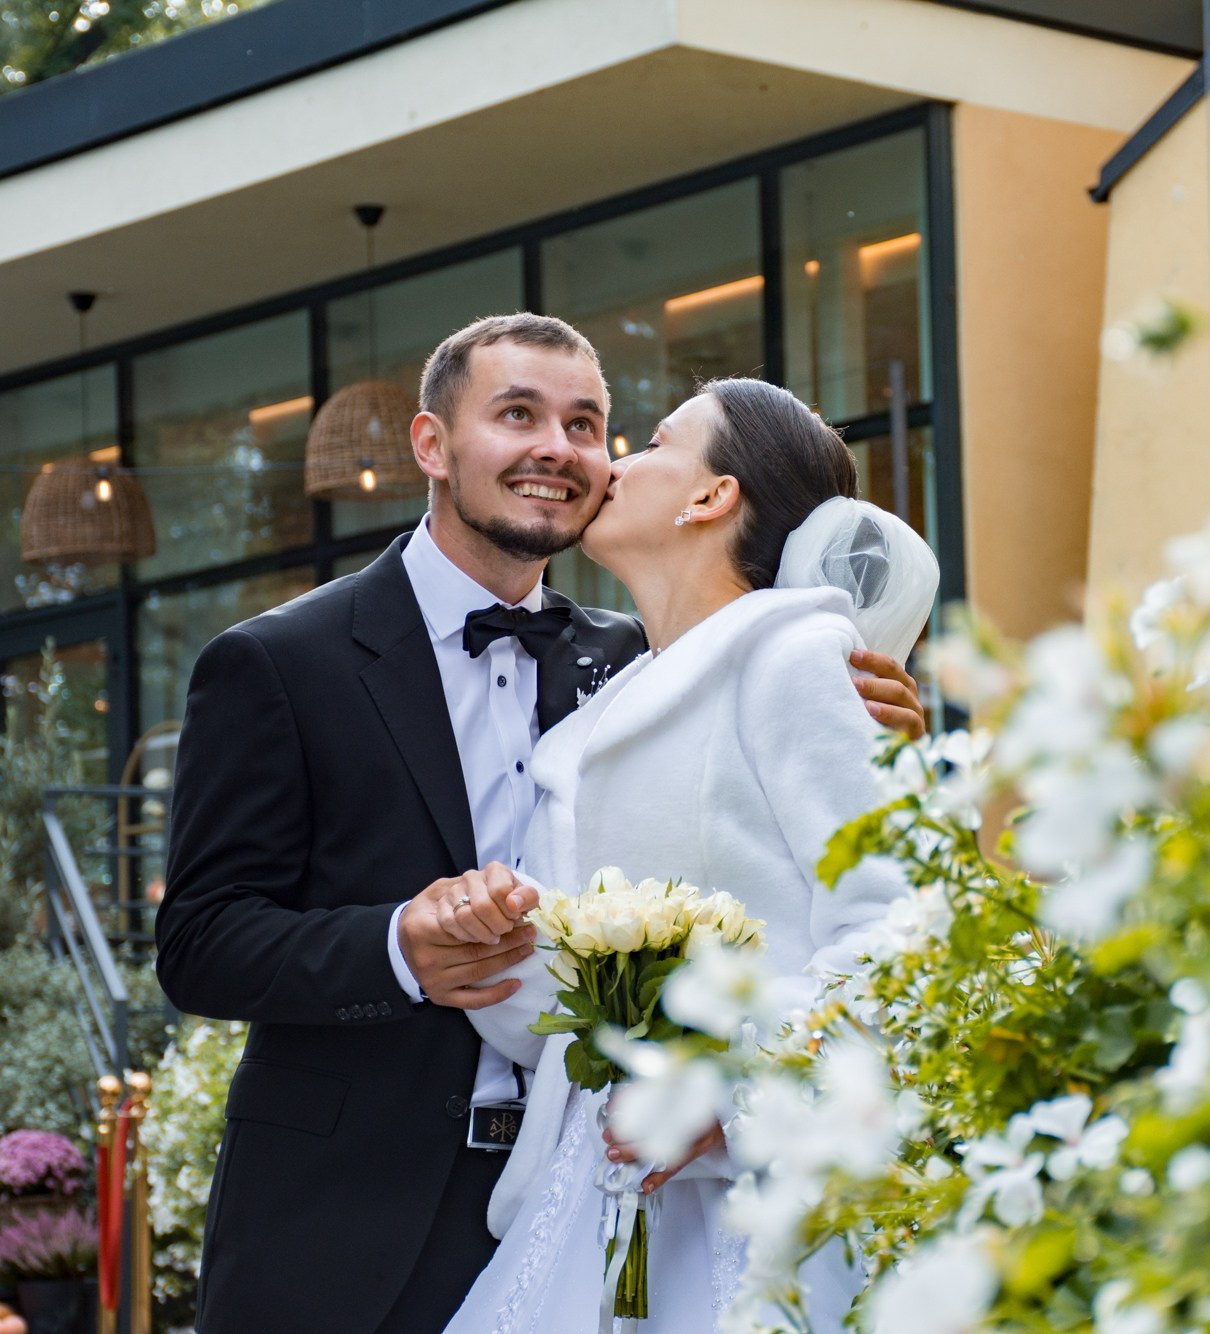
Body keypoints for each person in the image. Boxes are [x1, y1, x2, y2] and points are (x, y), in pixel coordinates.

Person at [154, 316, 925, 1332]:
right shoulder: (278, 662)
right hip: (348, 1212)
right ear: (431, 445)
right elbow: (202, 938)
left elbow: (866, 894)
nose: (561, 449)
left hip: (616, 1200)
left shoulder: (645, 659)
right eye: (517, 413)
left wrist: (886, 722)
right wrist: (396, 947)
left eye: (589, 423)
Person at [440, 377, 940, 1333]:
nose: (612, 464)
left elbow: (901, 929)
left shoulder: (797, 661)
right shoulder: (587, 731)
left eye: (654, 443)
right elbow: (552, 1013)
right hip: (602, 1188)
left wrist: (736, 1097)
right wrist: (493, 933)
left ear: (711, 497)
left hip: (771, 1199)